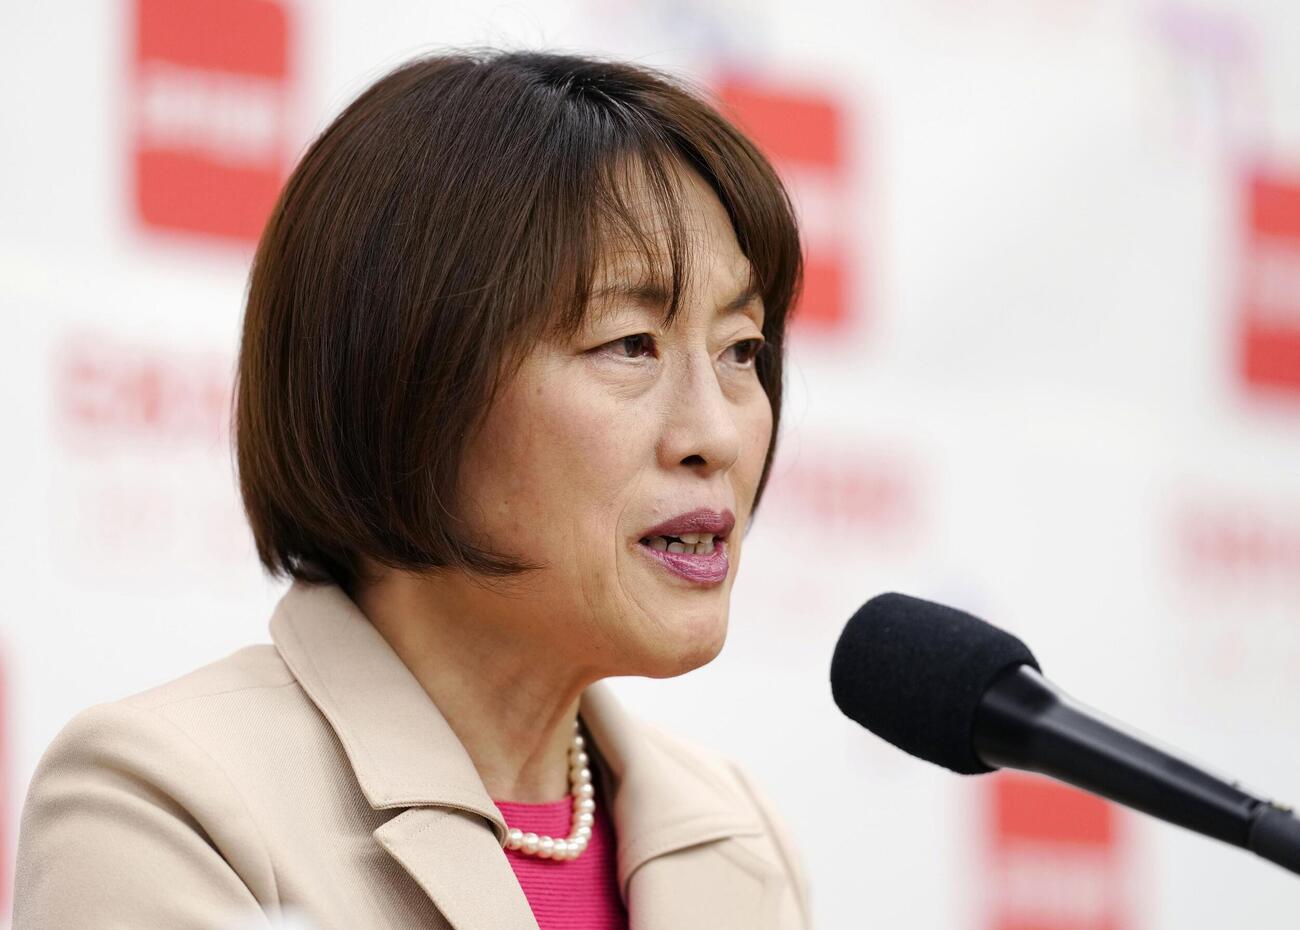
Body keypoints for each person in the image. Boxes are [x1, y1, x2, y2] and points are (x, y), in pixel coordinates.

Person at [12, 48, 810, 929]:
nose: (716, 434)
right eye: (629, 344)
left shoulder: (735, 838)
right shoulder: (169, 804)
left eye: (742, 350)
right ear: (406, 381)